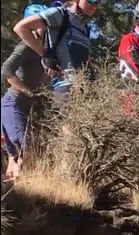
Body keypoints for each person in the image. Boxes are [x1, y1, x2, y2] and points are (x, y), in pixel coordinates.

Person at [11, 0, 98, 103]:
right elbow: (20, 28)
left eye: (97, 3)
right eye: (90, 1)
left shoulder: (84, 26)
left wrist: (94, 81)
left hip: (85, 88)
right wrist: (45, 55)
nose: (93, 6)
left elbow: (85, 57)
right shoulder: (60, 14)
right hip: (64, 89)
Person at [1, 4, 51, 179]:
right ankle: (23, 189)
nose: (44, 26)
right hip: (13, 104)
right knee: (24, 151)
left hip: (24, 107)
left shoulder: (46, 47)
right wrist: (26, 91)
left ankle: (13, 192)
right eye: (40, 23)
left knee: (14, 156)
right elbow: (6, 70)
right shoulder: (26, 46)